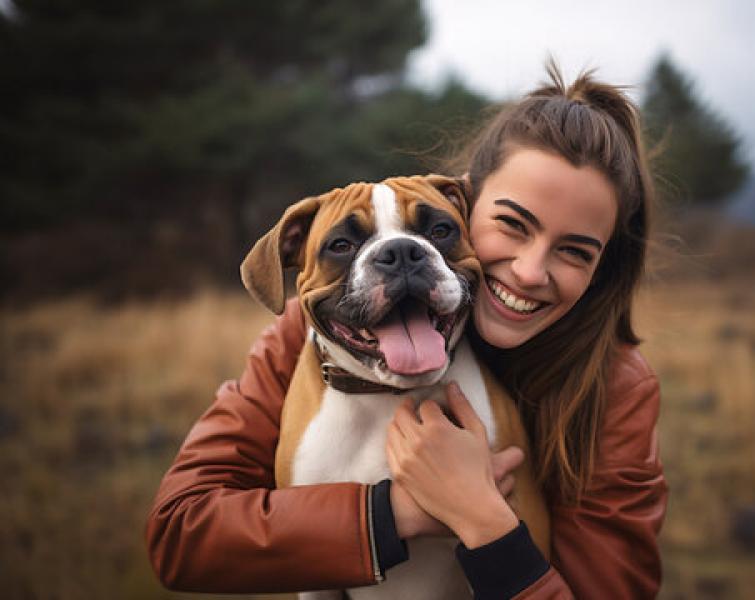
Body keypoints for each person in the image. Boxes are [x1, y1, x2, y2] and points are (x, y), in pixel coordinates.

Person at [146, 64, 667, 599]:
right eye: (512, 224)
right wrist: (394, 514)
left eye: (575, 250)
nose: (530, 272)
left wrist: (482, 519)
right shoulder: (300, 339)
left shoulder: (616, 390)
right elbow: (182, 532)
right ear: (471, 200)